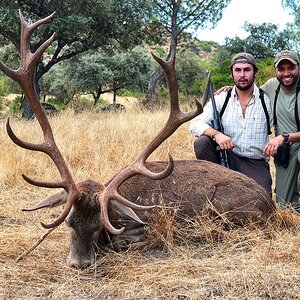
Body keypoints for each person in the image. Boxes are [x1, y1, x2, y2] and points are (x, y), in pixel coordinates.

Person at [189, 52, 273, 196]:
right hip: (228, 157)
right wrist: (216, 134)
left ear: (255, 72)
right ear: (232, 73)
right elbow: (194, 124)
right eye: (237, 70)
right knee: (202, 142)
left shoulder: (268, 100)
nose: (242, 75)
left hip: (255, 163)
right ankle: (211, 184)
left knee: (262, 201)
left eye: (247, 70)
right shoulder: (222, 98)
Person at [262, 50, 300, 209]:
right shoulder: (272, 86)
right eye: (281, 69)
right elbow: (249, 92)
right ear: (275, 71)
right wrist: (231, 89)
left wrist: (283, 137)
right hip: (286, 151)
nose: (286, 73)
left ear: (299, 68)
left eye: (290, 68)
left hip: (291, 143)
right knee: (285, 207)